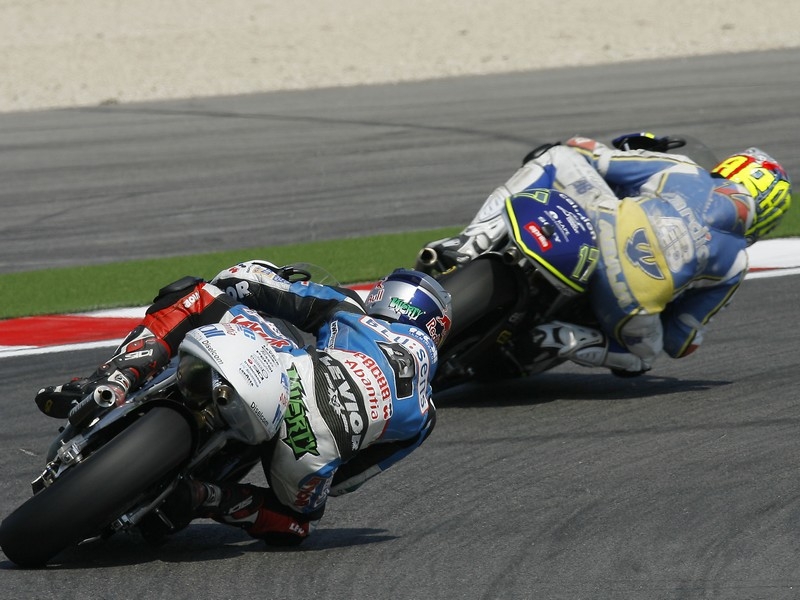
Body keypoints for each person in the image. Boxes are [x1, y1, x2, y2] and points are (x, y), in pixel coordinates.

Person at [34, 260, 452, 546]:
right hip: (308, 455)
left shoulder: (353, 310)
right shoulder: (426, 412)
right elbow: (347, 481)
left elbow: (253, 282)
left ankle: (112, 381)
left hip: (291, 379)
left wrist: (244, 277)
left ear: (386, 296)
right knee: (298, 524)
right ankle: (205, 496)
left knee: (196, 295)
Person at [418, 133, 791, 376]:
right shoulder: (736, 263)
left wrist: (616, 145)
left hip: (606, 227)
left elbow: (596, 157)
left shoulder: (684, 168)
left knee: (556, 157)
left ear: (728, 169)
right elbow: (680, 342)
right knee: (645, 356)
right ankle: (567, 337)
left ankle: (468, 244)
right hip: (631, 299)